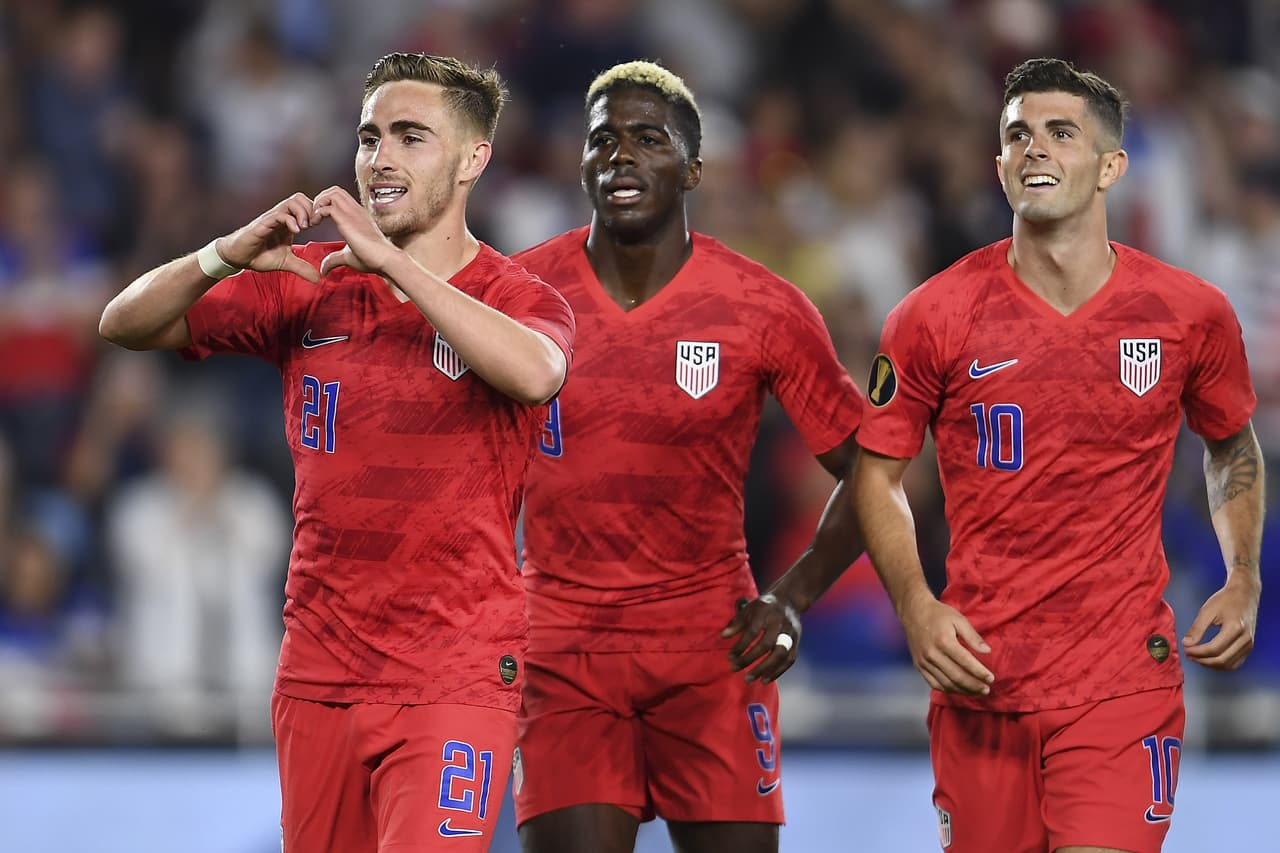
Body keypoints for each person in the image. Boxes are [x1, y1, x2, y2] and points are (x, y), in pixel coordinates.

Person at [99, 52, 575, 853]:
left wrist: (393, 265)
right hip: (318, 673)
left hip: (452, 675)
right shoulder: (307, 284)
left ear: (472, 161)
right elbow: (124, 321)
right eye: (369, 136)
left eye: (410, 137)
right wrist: (223, 253)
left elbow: (537, 373)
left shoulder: (518, 297)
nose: (379, 158)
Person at [852, 57, 1265, 853]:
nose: (1035, 148)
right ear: (998, 165)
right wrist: (915, 604)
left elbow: (1230, 446)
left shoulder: (1189, 314)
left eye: (1060, 132)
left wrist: (1241, 574)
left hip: (1120, 679)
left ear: (1111, 166)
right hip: (981, 678)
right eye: (1018, 135)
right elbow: (878, 473)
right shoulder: (930, 316)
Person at [510, 61, 865, 853]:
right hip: (564, 654)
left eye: (647, 139)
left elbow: (868, 467)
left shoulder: (763, 306)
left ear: (694, 168)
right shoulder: (517, 293)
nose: (621, 158)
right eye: (602, 140)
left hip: (712, 651)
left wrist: (796, 596)